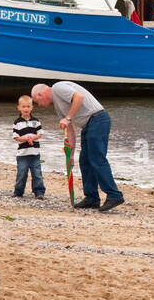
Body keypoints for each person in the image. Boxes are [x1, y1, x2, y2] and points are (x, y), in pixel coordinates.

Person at [31, 81, 123, 212]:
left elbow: (78, 97)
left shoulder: (57, 88)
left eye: (37, 101)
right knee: (84, 161)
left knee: (97, 159)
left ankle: (114, 195)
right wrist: (71, 155)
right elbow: (70, 130)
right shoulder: (58, 105)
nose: (39, 105)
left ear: (41, 94)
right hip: (88, 125)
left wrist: (68, 118)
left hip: (98, 119)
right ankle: (92, 198)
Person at [12, 94, 45, 199]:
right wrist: (26, 139)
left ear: (32, 107)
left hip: (35, 153)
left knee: (37, 174)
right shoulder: (17, 123)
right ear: (19, 108)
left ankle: (39, 192)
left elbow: (40, 134)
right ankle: (18, 192)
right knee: (21, 174)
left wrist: (32, 138)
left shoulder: (36, 121)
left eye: (28, 106)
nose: (26, 109)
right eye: (23, 106)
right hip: (23, 154)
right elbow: (16, 137)